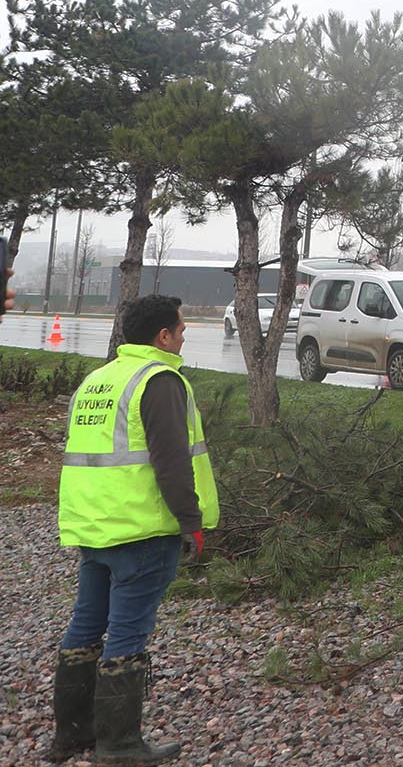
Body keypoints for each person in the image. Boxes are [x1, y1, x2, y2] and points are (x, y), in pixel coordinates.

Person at [48, 294, 218, 764]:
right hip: (142, 530)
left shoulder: (98, 380)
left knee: (85, 626)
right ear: (163, 335)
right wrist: (191, 521)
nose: (185, 334)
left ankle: (73, 735)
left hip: (94, 526)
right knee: (127, 632)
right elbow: (171, 460)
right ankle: (119, 745)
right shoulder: (160, 381)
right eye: (181, 328)